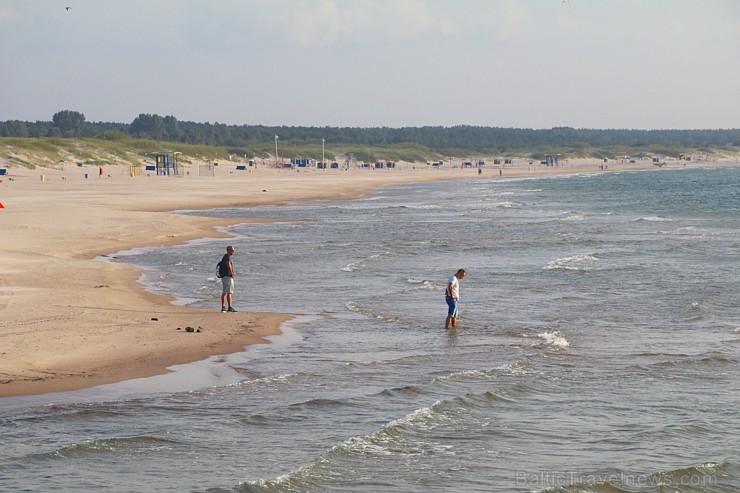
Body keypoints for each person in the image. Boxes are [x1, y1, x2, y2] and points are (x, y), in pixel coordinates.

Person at [219, 245, 237, 312]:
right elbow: (228, 264)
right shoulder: (227, 257)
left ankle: (223, 307)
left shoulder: (224, 257)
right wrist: (232, 273)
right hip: (228, 276)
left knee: (224, 292)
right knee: (229, 292)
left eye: (233, 250)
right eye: (232, 250)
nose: (233, 251)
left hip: (224, 276)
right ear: (228, 250)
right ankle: (230, 307)